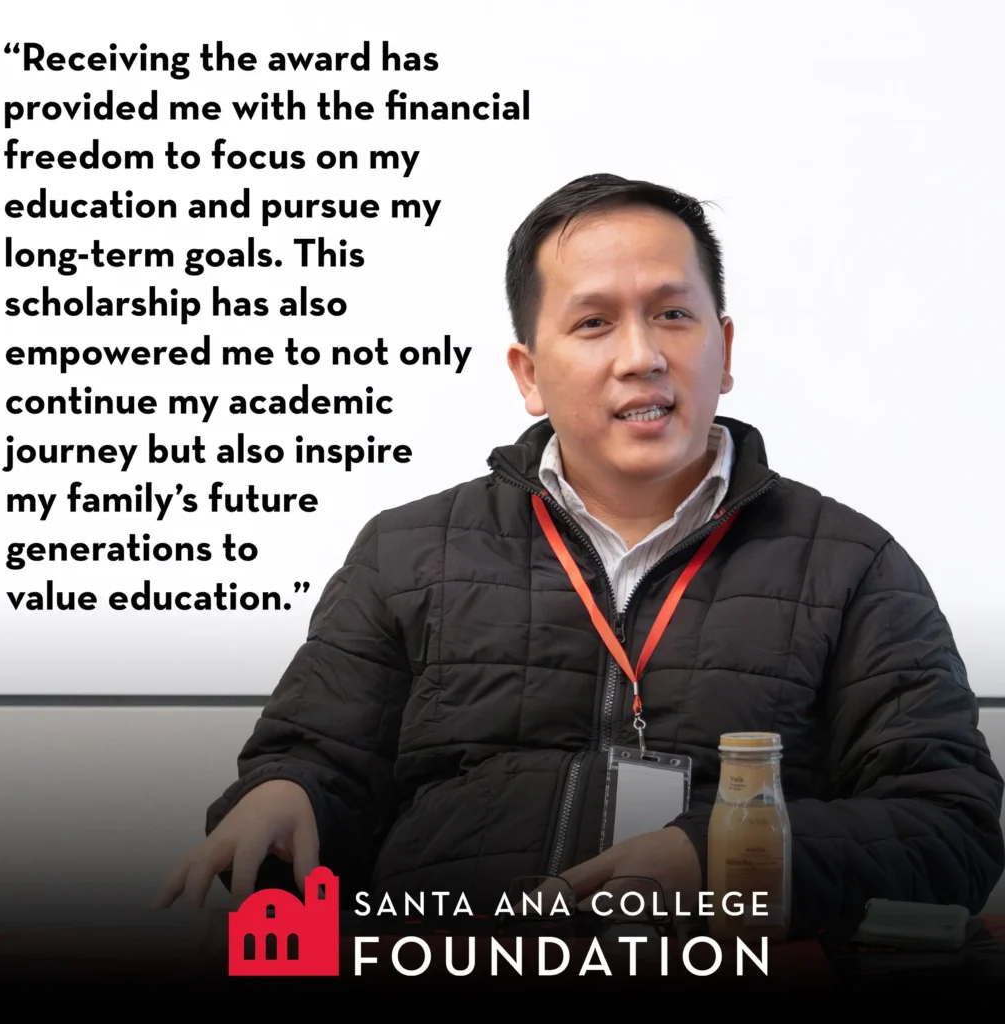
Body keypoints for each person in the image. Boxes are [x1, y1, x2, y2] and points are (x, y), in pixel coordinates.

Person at [155, 173, 1004, 937]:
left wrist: (725, 861)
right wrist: (281, 798)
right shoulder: (407, 553)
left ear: (726, 349)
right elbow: (317, 766)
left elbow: (950, 828)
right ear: (528, 372)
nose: (641, 357)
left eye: (673, 314)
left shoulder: (850, 566)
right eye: (594, 323)